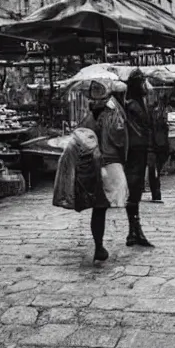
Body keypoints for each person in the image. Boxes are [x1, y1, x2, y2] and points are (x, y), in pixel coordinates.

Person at [70, 81, 132, 261]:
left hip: (91, 163)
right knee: (101, 206)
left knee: (98, 208)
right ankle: (99, 246)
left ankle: (99, 246)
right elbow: (120, 140)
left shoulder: (88, 114)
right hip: (108, 164)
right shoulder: (114, 113)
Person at [119, 70, 156, 247]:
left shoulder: (138, 103)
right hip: (135, 152)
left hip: (138, 151)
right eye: (142, 83)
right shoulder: (133, 106)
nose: (144, 86)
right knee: (134, 190)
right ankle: (134, 231)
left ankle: (134, 230)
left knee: (136, 190)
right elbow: (143, 129)